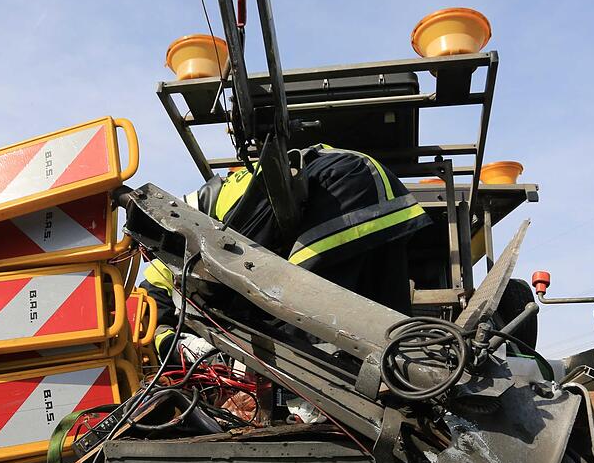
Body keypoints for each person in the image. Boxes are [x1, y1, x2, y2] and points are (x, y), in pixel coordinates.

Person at [141, 144, 432, 356]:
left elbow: (252, 282)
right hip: (376, 186)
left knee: (296, 306)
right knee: (391, 328)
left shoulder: (180, 245)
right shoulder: (208, 205)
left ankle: (301, 403)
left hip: (343, 187)